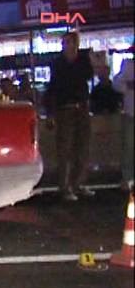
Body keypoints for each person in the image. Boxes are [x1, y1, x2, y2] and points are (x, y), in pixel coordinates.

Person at [45, 31, 95, 201]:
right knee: (65, 149)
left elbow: (88, 76)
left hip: (81, 107)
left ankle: (78, 184)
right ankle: (65, 187)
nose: (66, 46)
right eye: (64, 43)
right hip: (65, 108)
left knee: (82, 147)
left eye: (68, 42)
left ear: (75, 44)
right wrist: (50, 112)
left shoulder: (82, 60)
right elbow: (52, 88)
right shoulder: (58, 63)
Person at [114, 58, 134, 191]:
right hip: (131, 113)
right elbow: (116, 83)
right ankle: (127, 179)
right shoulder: (128, 65)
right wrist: (128, 85)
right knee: (128, 148)